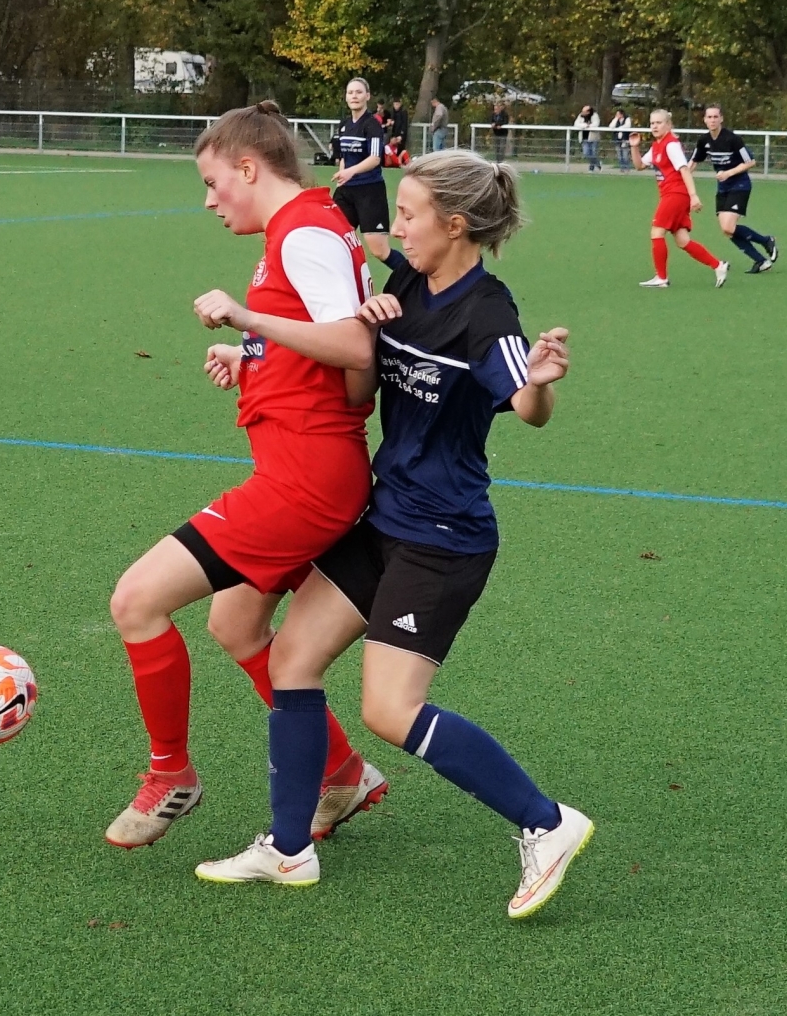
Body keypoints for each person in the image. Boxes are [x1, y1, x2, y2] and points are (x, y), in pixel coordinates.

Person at [192, 149, 594, 920]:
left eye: (408, 215)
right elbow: (354, 362)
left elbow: (526, 403)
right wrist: (252, 356)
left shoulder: (488, 313)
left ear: (455, 225)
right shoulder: (407, 282)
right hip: (384, 517)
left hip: (444, 539)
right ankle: (288, 849)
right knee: (291, 659)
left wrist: (541, 383)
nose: (395, 227)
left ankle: (547, 823)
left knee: (389, 709)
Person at [105, 102, 387, 851]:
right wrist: (256, 359)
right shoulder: (302, 229)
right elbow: (330, 344)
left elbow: (356, 348)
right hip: (311, 470)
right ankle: (341, 773)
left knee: (135, 601)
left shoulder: (303, 232)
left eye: (212, 182)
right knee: (235, 625)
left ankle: (171, 774)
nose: (209, 201)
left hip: (304, 482)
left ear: (249, 167)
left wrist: (246, 322)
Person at [633, 108, 727, 288]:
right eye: (652, 123)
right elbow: (639, 166)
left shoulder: (671, 145)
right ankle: (718, 266)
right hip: (671, 194)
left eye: (659, 123)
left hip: (675, 194)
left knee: (656, 232)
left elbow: (684, 170)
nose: (654, 126)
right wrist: (634, 146)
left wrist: (693, 196)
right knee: (682, 240)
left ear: (668, 125)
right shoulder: (657, 145)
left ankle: (661, 277)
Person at [692, 104, 778, 274]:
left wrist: (728, 173)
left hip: (740, 185)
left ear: (721, 119)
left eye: (715, 117)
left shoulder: (732, 139)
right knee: (727, 231)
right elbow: (693, 162)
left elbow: (751, 162)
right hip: (723, 188)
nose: (712, 120)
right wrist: (681, 177)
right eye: (709, 117)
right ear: (704, 120)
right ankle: (761, 261)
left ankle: (766, 240)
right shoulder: (704, 141)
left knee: (728, 227)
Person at [328, 77, 392, 261]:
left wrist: (351, 171)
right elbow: (344, 157)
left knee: (379, 251)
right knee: (332, 241)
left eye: (358, 92)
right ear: (346, 97)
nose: (354, 96)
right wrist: (342, 176)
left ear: (367, 96)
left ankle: (415, 276)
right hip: (346, 191)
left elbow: (375, 158)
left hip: (369, 191)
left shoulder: (372, 124)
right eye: (350, 92)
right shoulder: (344, 125)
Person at [573, 104, 600, 171]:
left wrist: (589, 126)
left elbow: (596, 124)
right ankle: (598, 164)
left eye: (584, 111)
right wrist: (585, 125)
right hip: (584, 138)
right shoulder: (580, 116)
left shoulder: (595, 116)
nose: (582, 112)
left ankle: (591, 168)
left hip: (593, 138)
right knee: (586, 153)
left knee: (593, 153)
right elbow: (576, 124)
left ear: (588, 112)